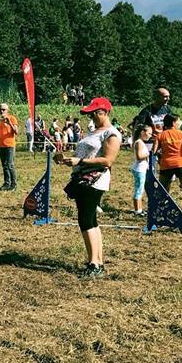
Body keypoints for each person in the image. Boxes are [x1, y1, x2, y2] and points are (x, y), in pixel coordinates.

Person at [56, 97, 121, 277]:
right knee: (90, 220)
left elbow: (108, 160)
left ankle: (94, 264)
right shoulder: (95, 131)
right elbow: (87, 153)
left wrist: (80, 161)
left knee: (86, 220)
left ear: (106, 112)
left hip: (93, 180)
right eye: (91, 114)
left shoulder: (111, 134)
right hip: (83, 177)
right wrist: (69, 160)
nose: (92, 116)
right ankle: (97, 260)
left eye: (96, 113)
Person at [152, 114, 182, 224]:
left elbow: (154, 152)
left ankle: (161, 214)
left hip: (166, 165)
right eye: (178, 121)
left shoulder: (160, 135)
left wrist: (160, 155)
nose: (180, 123)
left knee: (163, 191)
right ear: (174, 122)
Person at [0, 103, 19, 190]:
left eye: (3, 109)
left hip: (9, 145)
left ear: (7, 110)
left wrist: (9, 123)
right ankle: (6, 183)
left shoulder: (12, 118)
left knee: (10, 165)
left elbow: (16, 132)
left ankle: (13, 184)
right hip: (1, 146)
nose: (2, 111)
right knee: (4, 166)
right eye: (0, 109)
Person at [131, 125, 152, 215]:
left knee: (140, 189)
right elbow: (139, 157)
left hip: (142, 168)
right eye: (149, 133)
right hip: (139, 169)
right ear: (142, 132)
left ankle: (139, 208)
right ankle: (137, 210)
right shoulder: (139, 142)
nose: (150, 135)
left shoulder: (140, 142)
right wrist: (148, 154)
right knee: (139, 189)